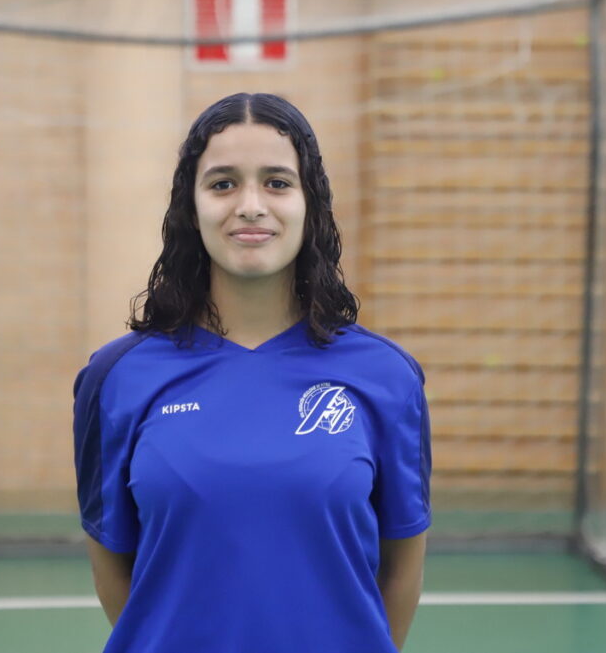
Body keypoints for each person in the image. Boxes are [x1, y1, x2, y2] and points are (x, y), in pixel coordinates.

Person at [73, 92, 431, 653]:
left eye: (277, 182)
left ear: (310, 202)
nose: (250, 205)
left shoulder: (386, 376)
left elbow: (402, 569)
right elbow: (112, 568)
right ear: (190, 208)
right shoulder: (116, 377)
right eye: (222, 183)